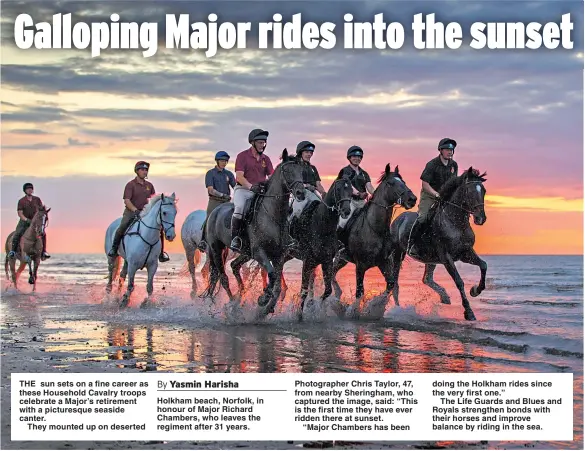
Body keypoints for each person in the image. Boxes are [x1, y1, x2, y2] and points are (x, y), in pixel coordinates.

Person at [107, 161, 170, 262]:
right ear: (137, 171)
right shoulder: (130, 185)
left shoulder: (150, 185)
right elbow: (127, 200)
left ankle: (161, 253)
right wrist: (135, 210)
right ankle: (114, 249)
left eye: (146, 170)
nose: (145, 172)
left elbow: (152, 200)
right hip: (131, 212)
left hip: (145, 213)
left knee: (159, 229)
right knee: (122, 227)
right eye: (142, 170)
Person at [408, 137, 459, 253]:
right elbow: (425, 184)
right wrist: (436, 194)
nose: (450, 152)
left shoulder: (454, 165)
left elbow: (454, 183)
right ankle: (412, 244)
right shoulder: (432, 164)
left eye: (451, 150)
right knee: (423, 217)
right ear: (440, 150)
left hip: (446, 197)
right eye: (447, 149)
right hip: (430, 195)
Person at [197, 151, 236, 252]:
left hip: (227, 202)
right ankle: (203, 240)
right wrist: (222, 195)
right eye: (222, 161)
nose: (224, 163)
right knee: (209, 218)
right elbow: (210, 189)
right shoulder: (210, 173)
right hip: (215, 201)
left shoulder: (229, 174)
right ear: (217, 161)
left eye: (226, 161)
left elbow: (235, 186)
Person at [336, 145, 375, 231]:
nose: (357, 159)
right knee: (343, 221)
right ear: (349, 158)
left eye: (359, 157)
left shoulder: (364, 173)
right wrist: (358, 193)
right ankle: (338, 241)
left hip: (362, 202)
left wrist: (376, 194)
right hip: (350, 201)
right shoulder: (345, 171)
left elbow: (369, 186)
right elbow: (348, 185)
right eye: (354, 156)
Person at [8, 182, 50, 260]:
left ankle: (44, 252)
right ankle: (13, 251)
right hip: (24, 221)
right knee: (17, 233)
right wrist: (26, 220)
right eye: (28, 189)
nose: (30, 190)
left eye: (31, 189)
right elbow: (20, 213)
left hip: (35, 222)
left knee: (43, 234)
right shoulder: (21, 201)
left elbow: (40, 210)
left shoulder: (37, 199)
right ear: (25, 191)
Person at [288, 140, 326, 221]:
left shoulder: (313, 168)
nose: (309, 154)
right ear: (300, 153)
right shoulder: (295, 166)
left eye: (311, 152)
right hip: (299, 194)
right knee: (297, 212)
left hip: (313, 193)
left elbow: (318, 184)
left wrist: (323, 193)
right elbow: (292, 181)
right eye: (306, 152)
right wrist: (307, 186)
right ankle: (288, 227)